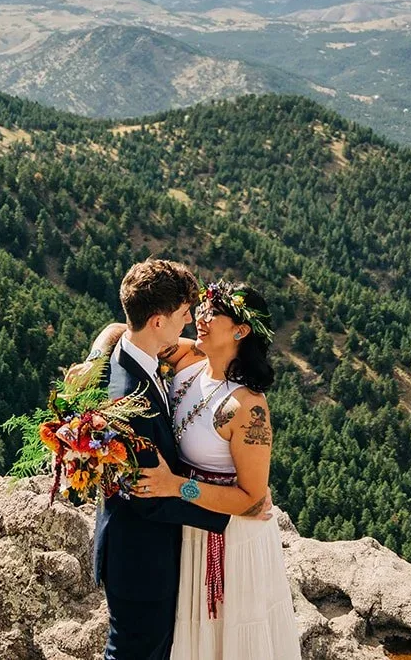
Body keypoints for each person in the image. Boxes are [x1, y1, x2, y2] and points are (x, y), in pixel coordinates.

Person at [86, 280, 300, 660]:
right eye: (200, 307)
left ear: (240, 330)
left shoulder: (248, 407)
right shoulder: (189, 361)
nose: (200, 317)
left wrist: (176, 486)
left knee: (228, 640)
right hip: (184, 530)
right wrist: (93, 363)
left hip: (227, 538)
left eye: (213, 312)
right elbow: (126, 332)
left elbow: (251, 499)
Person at [91, 259, 231, 660]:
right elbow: (147, 494)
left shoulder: (124, 354)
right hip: (139, 557)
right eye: (184, 315)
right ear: (156, 321)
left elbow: (113, 331)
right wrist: (225, 514)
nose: (189, 323)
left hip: (133, 548)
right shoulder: (129, 399)